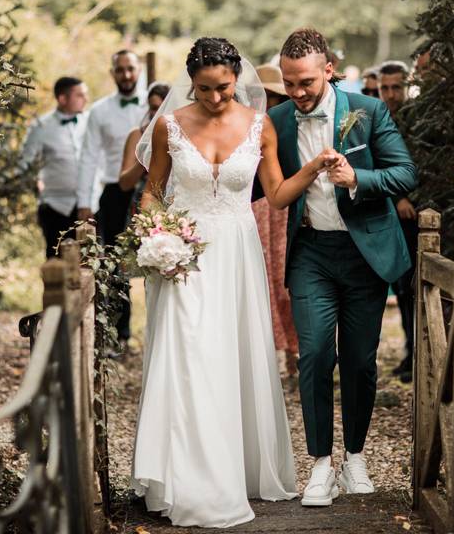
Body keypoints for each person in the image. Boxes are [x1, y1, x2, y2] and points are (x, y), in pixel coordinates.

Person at [131, 37, 342, 528]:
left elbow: (276, 193)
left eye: (224, 88)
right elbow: (152, 194)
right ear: (191, 84)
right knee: (188, 355)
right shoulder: (169, 126)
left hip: (237, 252)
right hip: (182, 256)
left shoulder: (259, 124)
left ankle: (236, 466)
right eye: (204, 90)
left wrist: (312, 168)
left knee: (229, 354)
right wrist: (156, 240)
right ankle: (187, 477)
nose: (216, 98)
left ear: (236, 79)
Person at [265, 28, 416, 506]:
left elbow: (405, 172)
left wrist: (359, 178)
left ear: (329, 70)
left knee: (359, 362)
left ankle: (354, 457)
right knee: (313, 356)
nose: (298, 93)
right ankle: (321, 466)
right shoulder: (278, 119)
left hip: (363, 254)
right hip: (310, 251)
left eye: (306, 82)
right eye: (290, 83)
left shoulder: (367, 112)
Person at [77, 50, 147, 349]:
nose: (126, 75)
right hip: (114, 193)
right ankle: (120, 335)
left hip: (152, 186)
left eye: (131, 69)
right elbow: (88, 158)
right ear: (113, 73)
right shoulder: (99, 111)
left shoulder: (155, 102)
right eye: (120, 70)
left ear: (139, 69)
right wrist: (84, 202)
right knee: (115, 265)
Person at [253, 64, 299, 383]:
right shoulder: (246, 125)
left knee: (287, 282)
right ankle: (273, 353)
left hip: (286, 206)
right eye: (266, 95)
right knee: (265, 280)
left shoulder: (291, 122)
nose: (270, 101)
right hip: (257, 208)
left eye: (275, 96)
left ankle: (297, 352)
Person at [17, 77, 93, 258]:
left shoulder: (91, 122)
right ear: (62, 99)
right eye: (79, 95)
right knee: (56, 261)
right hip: (54, 206)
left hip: (89, 206)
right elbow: (24, 163)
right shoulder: (41, 127)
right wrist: (35, 184)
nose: (86, 99)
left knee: (91, 263)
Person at [378, 60, 419, 383]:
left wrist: (409, 199)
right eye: (385, 88)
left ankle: (421, 352)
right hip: (392, 213)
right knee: (402, 286)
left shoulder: (419, 120)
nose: (391, 94)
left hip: (420, 214)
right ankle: (411, 351)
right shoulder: (376, 117)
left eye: (396, 87)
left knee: (417, 286)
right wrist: (396, 198)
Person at [118, 81, 171, 213]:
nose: (157, 114)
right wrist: (145, 154)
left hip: (175, 204)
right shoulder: (137, 135)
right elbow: (124, 184)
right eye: (153, 108)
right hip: (143, 203)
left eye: (162, 108)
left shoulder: (182, 135)